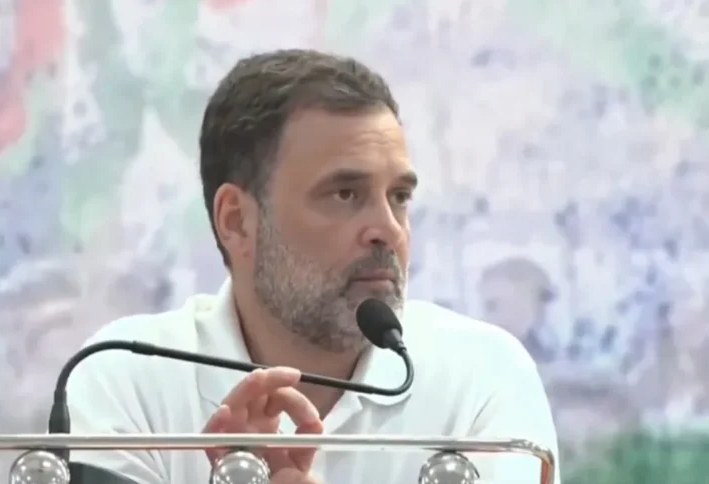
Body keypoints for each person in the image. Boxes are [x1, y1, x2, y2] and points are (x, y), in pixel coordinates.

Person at [66, 49, 559, 484]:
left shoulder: (482, 375)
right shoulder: (127, 376)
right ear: (237, 221)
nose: (388, 229)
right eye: (345, 194)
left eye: (399, 197)